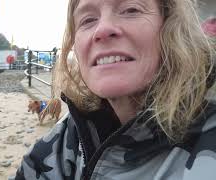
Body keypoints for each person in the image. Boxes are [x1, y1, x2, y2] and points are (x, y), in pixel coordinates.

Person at [14, 0, 216, 179]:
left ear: (170, 24)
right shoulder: (73, 131)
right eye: (87, 20)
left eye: (131, 9)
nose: (102, 29)